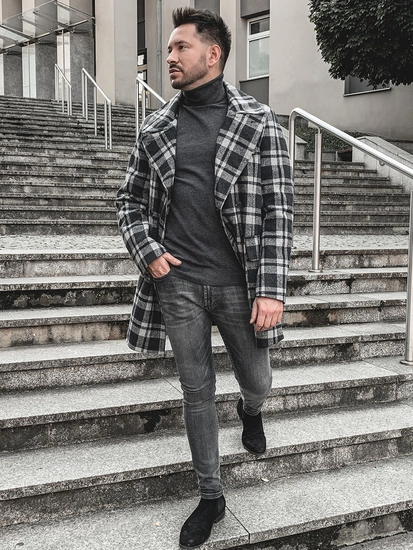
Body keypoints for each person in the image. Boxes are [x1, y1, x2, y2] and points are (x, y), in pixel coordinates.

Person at [116, 7, 293, 549]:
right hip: (179, 283)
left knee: (258, 380)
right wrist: (148, 252)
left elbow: (279, 210)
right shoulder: (156, 127)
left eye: (180, 48)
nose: (169, 57)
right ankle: (211, 495)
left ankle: (250, 409)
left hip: (241, 282)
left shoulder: (259, 121)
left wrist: (272, 289)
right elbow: (128, 201)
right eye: (169, 49)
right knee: (196, 391)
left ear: (213, 54)